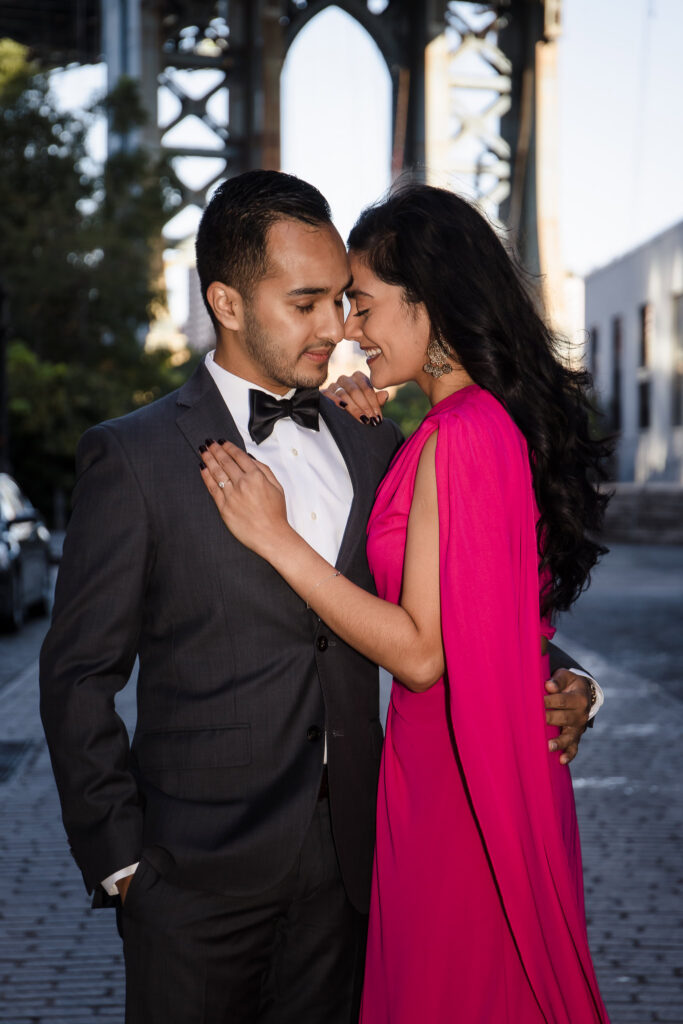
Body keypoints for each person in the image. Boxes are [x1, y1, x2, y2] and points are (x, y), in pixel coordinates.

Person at [40, 170, 598, 1024]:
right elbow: (78, 672)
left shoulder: (372, 436)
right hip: (194, 884)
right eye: (306, 304)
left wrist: (567, 682)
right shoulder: (135, 457)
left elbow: (448, 599)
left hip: (357, 872)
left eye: (344, 299)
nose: (336, 328)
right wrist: (123, 863)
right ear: (226, 303)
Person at [197, 181, 611, 1022]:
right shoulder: (456, 427)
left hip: (458, 786)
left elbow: (424, 653)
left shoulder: (460, 435)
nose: (349, 329)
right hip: (448, 772)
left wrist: (277, 538)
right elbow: (491, 610)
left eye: (363, 303)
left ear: (433, 302)